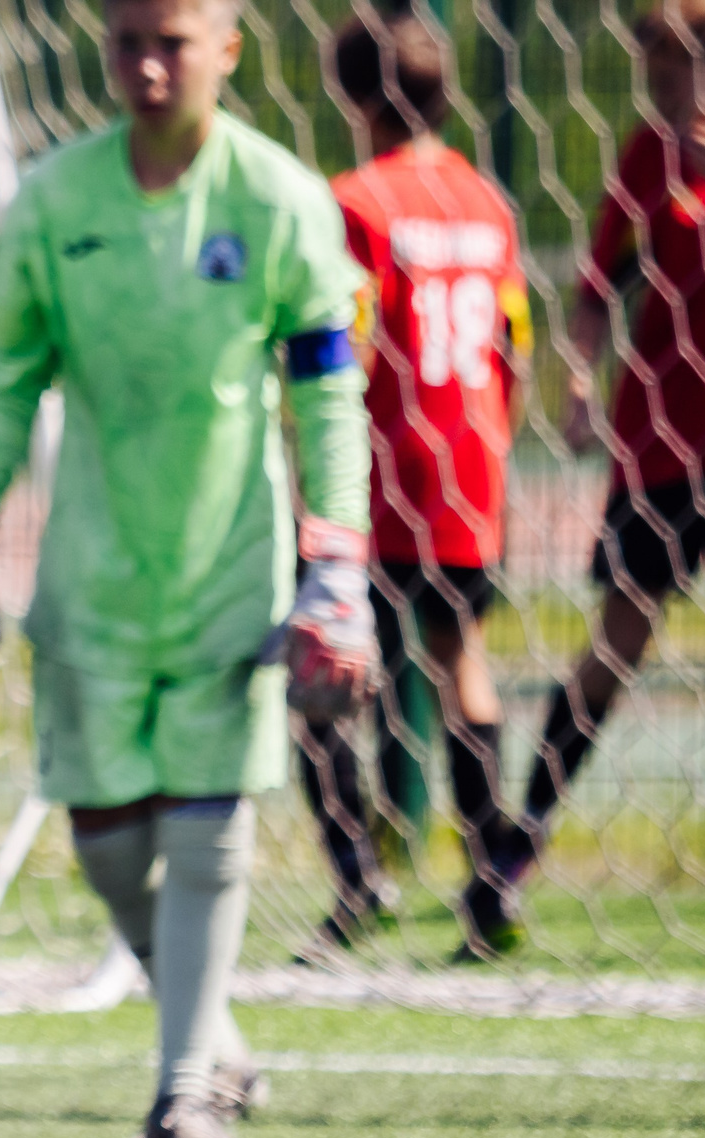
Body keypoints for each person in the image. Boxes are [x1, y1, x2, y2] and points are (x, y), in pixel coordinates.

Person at [0, 0, 375, 1138]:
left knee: (207, 821)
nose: (142, 65)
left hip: (230, 572)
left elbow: (329, 396)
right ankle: (212, 1032)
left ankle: (184, 1092)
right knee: (111, 843)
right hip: (90, 577)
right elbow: (7, 387)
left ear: (226, 48)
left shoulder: (279, 200)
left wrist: (337, 570)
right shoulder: (54, 204)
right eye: (123, 40)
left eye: (169, 41)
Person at [472, 0, 705, 937]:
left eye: (668, 71)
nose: (653, 93)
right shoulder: (650, 152)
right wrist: (583, 378)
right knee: (616, 643)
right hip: (663, 444)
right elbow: (599, 284)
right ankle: (519, 841)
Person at [299, 10, 531, 957]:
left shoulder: (354, 201)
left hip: (378, 472)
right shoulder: (487, 199)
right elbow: (514, 340)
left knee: (313, 672)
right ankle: (489, 878)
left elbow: (342, 349)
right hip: (471, 472)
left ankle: (359, 877)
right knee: (460, 660)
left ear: (354, 96)